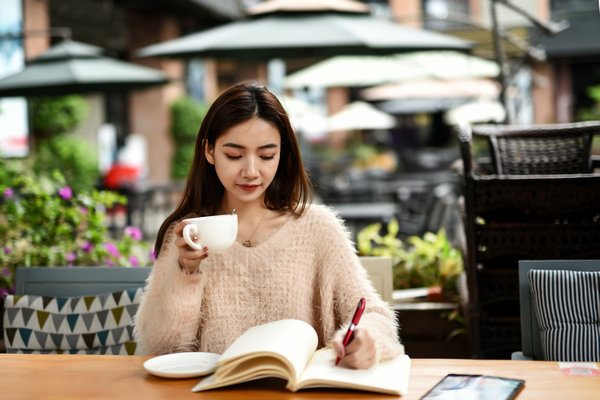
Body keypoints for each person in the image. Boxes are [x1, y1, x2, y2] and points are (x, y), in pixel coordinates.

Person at [134, 82, 403, 369]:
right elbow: (160, 350)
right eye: (234, 155)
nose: (250, 171)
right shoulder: (188, 233)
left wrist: (366, 339)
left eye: (266, 156)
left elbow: (374, 315)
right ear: (209, 151)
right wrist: (186, 273)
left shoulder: (318, 229)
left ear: (283, 155)